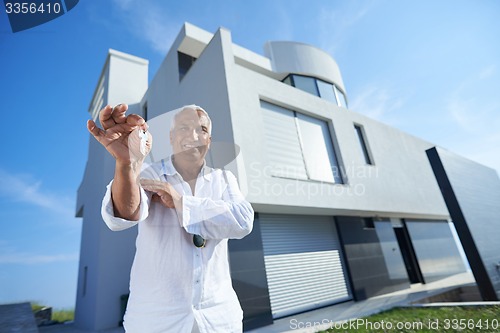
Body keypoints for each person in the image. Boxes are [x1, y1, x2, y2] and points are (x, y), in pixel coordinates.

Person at [87, 104, 254, 333]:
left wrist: (180, 202)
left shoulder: (224, 178)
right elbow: (124, 215)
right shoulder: (148, 173)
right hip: (156, 322)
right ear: (171, 137)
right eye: (184, 128)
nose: (193, 136)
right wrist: (127, 164)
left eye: (202, 130)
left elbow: (243, 221)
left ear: (209, 140)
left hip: (220, 320)